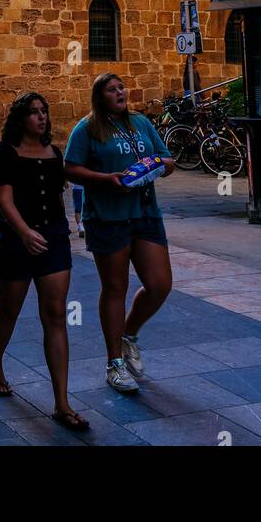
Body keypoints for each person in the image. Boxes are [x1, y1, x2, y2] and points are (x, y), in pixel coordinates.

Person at [65, 72, 174, 394]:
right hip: (108, 216)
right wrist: (105, 178)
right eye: (112, 90)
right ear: (100, 97)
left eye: (121, 87)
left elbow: (166, 157)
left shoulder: (140, 122)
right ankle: (114, 363)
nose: (120, 92)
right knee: (115, 287)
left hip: (145, 212)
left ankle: (129, 333)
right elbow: (70, 168)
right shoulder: (87, 129)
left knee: (160, 284)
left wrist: (160, 166)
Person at [0, 91, 89, 431]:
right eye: (33, 112)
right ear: (20, 118)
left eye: (44, 111)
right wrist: (24, 232)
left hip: (53, 239)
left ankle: (61, 402)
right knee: (10, 310)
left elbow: (61, 192)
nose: (41, 117)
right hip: (13, 241)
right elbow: (4, 200)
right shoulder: (4, 154)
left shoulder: (54, 152)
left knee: (56, 315)